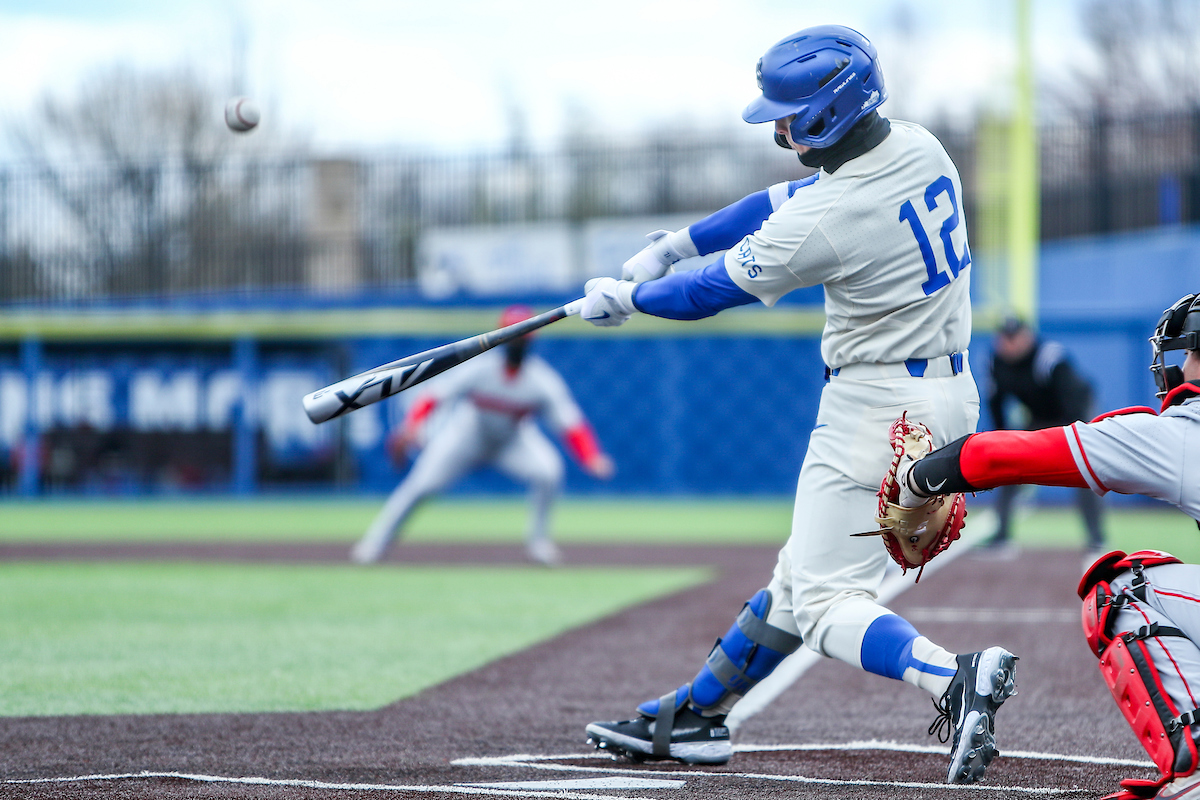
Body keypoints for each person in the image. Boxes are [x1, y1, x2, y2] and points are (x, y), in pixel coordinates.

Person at [578, 25, 1016, 785]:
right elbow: (777, 200)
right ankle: (697, 716)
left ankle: (953, 677)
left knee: (821, 605)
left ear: (826, 114)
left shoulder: (830, 218)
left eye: (787, 113)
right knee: (797, 578)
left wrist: (632, 296)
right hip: (945, 394)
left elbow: (711, 291)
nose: (778, 126)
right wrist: (676, 241)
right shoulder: (915, 145)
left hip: (875, 404)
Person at [888, 292, 1200, 800]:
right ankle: (1007, 530)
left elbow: (1002, 456)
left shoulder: (1182, 431)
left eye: (1192, 351)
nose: (1183, 364)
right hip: (1045, 421)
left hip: (1064, 420)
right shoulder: (1005, 363)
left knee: (1121, 589)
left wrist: (918, 478)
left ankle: (1195, 773)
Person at [350, 305, 615, 567]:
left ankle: (539, 543)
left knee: (548, 471)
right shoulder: (479, 367)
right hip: (467, 434)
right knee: (421, 485)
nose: (517, 342)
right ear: (501, 336)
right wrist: (413, 426)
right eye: (512, 335)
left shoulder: (541, 380)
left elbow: (570, 424)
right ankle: (375, 543)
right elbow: (435, 396)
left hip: (513, 439)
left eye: (523, 337)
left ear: (531, 340)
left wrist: (591, 456)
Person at [986, 315, 1105, 554]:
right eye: (1004, 338)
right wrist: (1002, 439)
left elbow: (1074, 398)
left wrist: (1073, 439)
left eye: (1014, 337)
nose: (1009, 343)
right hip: (1038, 418)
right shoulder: (996, 362)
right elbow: (996, 403)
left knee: (1085, 471)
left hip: (1074, 414)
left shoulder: (1049, 357)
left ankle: (1096, 538)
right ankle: (1001, 535)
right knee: (1008, 465)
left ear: (1027, 336)